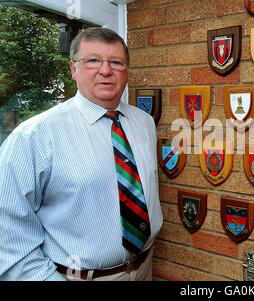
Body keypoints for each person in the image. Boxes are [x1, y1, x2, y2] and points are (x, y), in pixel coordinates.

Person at [0, 27, 163, 280]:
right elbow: (8, 235)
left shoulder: (144, 123)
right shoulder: (34, 136)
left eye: (116, 62)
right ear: (73, 69)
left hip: (144, 267)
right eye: (93, 61)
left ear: (127, 72)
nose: (106, 70)